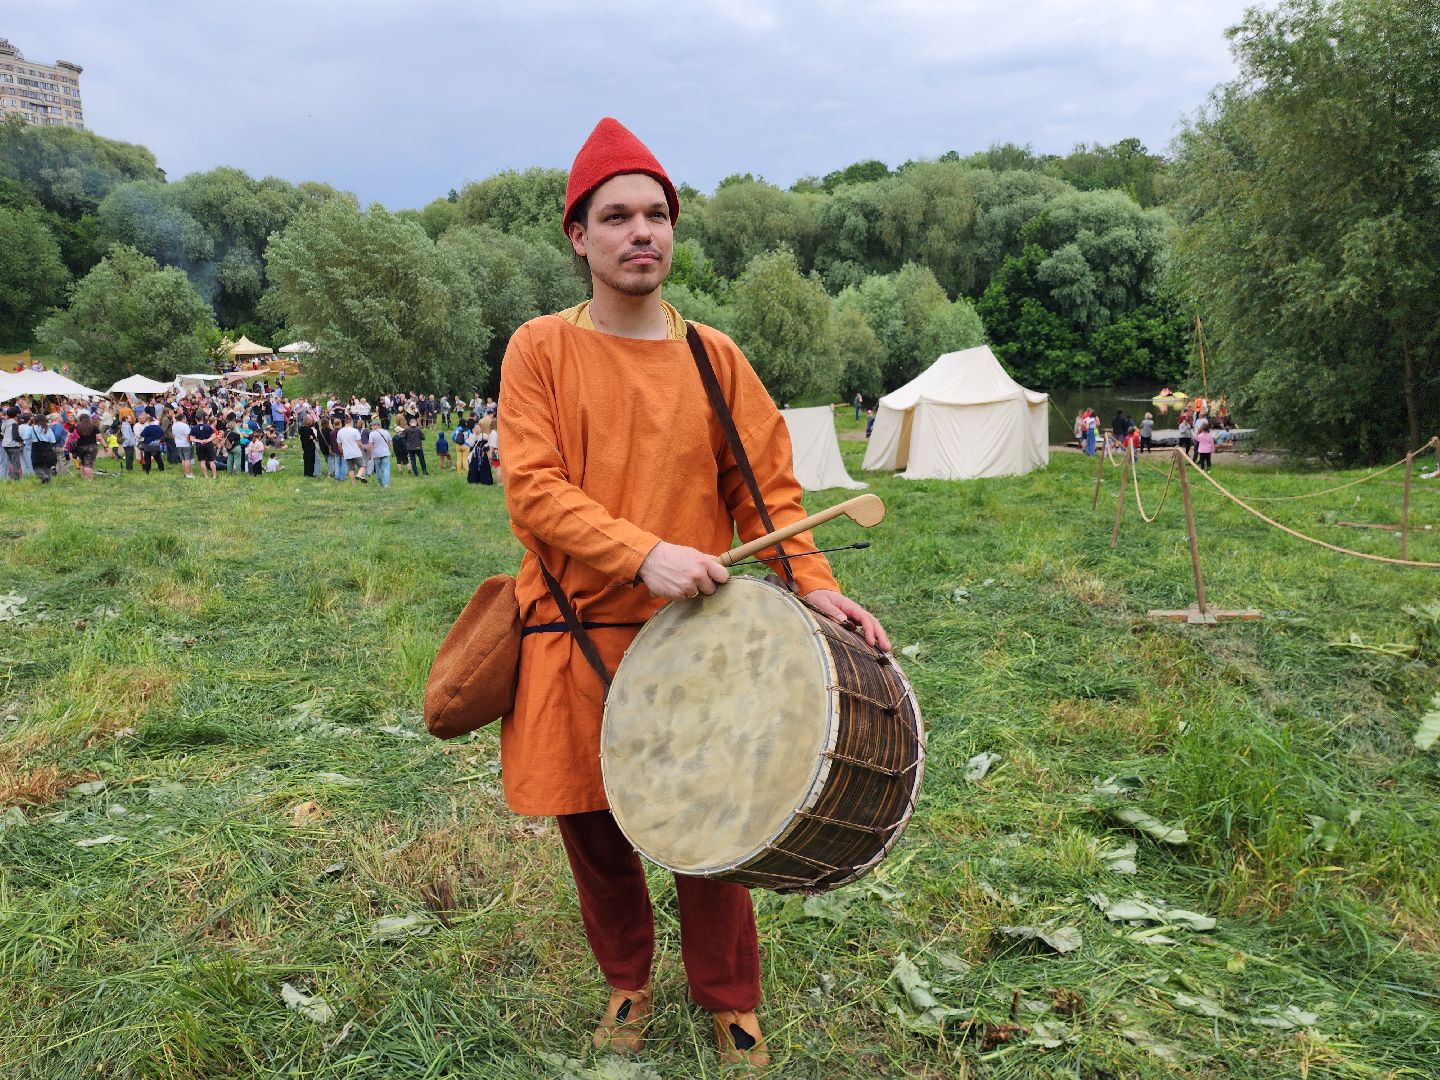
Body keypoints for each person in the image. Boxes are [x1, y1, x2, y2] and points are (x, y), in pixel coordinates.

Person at [496, 118, 890, 1067]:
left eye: (657, 215)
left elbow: (769, 495)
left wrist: (816, 585)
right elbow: (534, 489)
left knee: (717, 821)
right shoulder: (540, 349)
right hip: (575, 630)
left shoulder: (714, 357)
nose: (641, 232)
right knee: (595, 829)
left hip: (694, 637)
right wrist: (642, 555)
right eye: (616, 216)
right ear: (578, 236)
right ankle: (626, 986)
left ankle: (730, 1000)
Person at [336, 416, 365, 482]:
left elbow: (339, 445)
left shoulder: (340, 432)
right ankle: (359, 475)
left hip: (347, 453)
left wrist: (343, 453)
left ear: (344, 422)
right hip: (356, 452)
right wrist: (362, 449)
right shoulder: (355, 431)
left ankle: (353, 483)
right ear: (351, 422)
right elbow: (359, 443)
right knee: (362, 466)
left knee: (351, 469)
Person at [366, 419, 393, 488]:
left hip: (376, 454)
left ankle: (380, 483)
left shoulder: (372, 434)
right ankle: (386, 484)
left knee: (378, 470)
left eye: (372, 426)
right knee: (386, 469)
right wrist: (388, 449)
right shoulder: (386, 432)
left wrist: (369, 455)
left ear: (376, 425)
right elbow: (390, 443)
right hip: (385, 453)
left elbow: (370, 445)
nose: (371, 427)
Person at [191, 414, 218, 480]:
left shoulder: (193, 428)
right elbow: (214, 436)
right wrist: (207, 440)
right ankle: (214, 476)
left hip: (199, 445)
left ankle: (206, 476)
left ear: (195, 419)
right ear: (203, 419)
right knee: (211, 461)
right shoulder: (208, 427)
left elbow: (191, 439)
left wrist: (200, 441)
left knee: (202, 461)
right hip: (208, 445)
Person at [172, 413, 195, 479]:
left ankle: (185, 472)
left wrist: (176, 442)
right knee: (187, 459)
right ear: (183, 419)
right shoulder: (185, 426)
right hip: (185, 443)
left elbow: (174, 435)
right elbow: (187, 436)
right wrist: (190, 443)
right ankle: (188, 473)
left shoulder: (174, 425)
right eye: (185, 418)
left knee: (183, 459)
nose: (186, 420)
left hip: (178, 443)